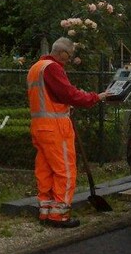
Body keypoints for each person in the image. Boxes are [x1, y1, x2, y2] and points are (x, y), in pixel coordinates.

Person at [27, 37, 110, 228]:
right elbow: (68, 94)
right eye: (70, 55)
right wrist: (96, 97)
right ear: (62, 53)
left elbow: (53, 96)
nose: (70, 59)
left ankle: (45, 211)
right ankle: (59, 215)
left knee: (45, 169)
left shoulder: (36, 67)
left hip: (39, 126)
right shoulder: (53, 68)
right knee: (64, 170)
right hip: (56, 127)